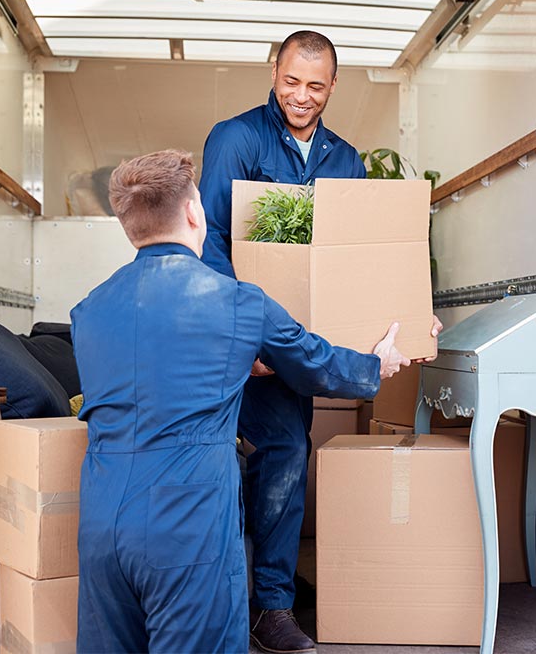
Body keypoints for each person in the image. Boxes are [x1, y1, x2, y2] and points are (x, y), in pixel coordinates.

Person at [71, 149, 410, 654]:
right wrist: (374, 364)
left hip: (100, 525)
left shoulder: (87, 310)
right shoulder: (237, 301)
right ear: (193, 212)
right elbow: (314, 362)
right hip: (186, 526)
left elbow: (155, 368)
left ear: (129, 226)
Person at [199, 30, 442, 653]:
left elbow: (362, 259)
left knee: (284, 454)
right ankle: (235, 599)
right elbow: (213, 244)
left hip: (303, 344)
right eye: (290, 82)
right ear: (273, 72)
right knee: (233, 458)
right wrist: (241, 337)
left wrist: (412, 317)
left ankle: (270, 606)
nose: (301, 97)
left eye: (315, 86)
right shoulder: (236, 139)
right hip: (243, 341)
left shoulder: (346, 160)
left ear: (333, 87)